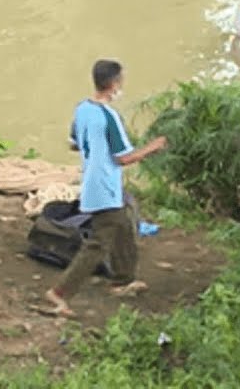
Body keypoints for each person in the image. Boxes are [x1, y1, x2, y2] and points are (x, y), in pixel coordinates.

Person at [44, 60, 168, 317]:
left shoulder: (82, 110)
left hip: (91, 181)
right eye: (121, 81)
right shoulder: (109, 116)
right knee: (99, 243)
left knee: (123, 226)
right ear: (113, 84)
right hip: (105, 187)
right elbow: (124, 157)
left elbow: (74, 144)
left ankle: (123, 279)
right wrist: (154, 146)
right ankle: (59, 293)